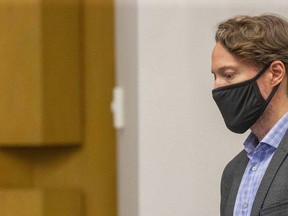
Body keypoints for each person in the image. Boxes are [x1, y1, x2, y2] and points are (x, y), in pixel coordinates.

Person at [211, 14, 288, 216]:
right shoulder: (232, 173)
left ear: (275, 73)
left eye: (228, 75)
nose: (217, 87)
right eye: (215, 77)